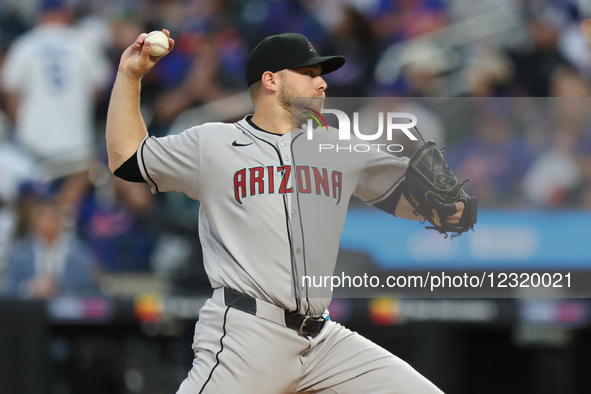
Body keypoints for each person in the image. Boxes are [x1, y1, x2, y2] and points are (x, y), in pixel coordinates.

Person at [106, 30, 466, 393]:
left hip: (323, 340)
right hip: (248, 334)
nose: (322, 83)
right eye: (309, 74)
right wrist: (130, 75)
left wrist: (448, 207)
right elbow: (127, 159)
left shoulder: (337, 147)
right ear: (271, 80)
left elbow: (417, 202)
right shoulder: (212, 143)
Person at [0, 0, 110, 210]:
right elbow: (101, 89)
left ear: (41, 15)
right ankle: (61, 215)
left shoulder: (24, 44)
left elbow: (11, 94)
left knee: (30, 205)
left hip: (32, 145)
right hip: (77, 147)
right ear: (65, 14)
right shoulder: (82, 43)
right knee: (82, 185)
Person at [2, 196, 97, 299]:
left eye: (53, 217)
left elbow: (89, 291)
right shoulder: (19, 254)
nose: (48, 223)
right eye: (43, 217)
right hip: (29, 311)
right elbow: (7, 290)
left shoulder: (80, 255)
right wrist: (29, 288)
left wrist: (59, 289)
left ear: (61, 220)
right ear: (34, 222)